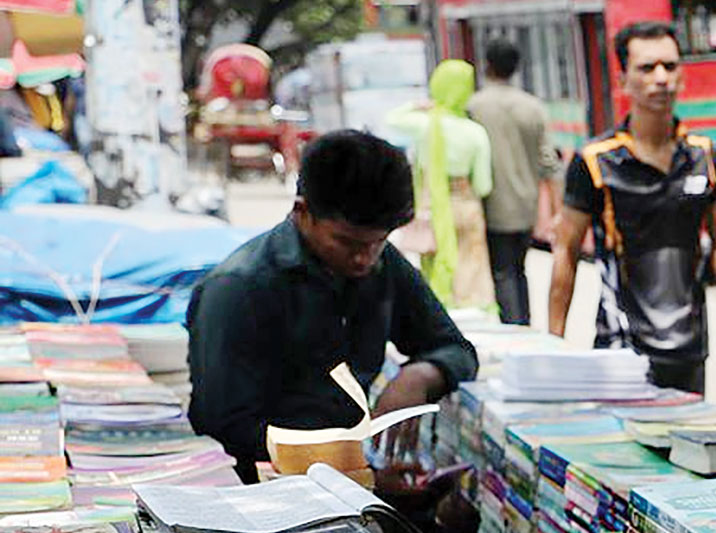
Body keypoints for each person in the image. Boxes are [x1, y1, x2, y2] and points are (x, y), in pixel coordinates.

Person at [186, 130, 478, 483]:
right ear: (302, 212)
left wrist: (420, 376)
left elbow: (456, 349)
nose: (363, 259)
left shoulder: (382, 264)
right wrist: (356, 475)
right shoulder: (238, 288)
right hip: (263, 492)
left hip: (352, 477)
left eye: (378, 243)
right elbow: (224, 429)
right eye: (346, 242)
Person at [549, 21, 716, 392]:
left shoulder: (702, 155)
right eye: (647, 68)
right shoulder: (595, 161)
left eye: (670, 67)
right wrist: (554, 343)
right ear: (623, 80)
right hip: (621, 351)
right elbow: (566, 250)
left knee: (687, 448)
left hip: (690, 348)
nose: (661, 78)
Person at [387, 59, 495, 312]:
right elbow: (483, 185)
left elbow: (392, 119)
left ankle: (438, 311)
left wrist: (420, 105)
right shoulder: (475, 132)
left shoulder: (425, 125)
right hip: (467, 203)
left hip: (432, 206)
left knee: (433, 263)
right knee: (471, 268)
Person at [468, 36, 558, 325]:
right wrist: (556, 212)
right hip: (526, 204)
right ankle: (526, 325)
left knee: (502, 271)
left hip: (492, 204)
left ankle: (514, 327)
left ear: (487, 66)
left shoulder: (475, 106)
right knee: (519, 269)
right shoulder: (533, 107)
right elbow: (549, 162)